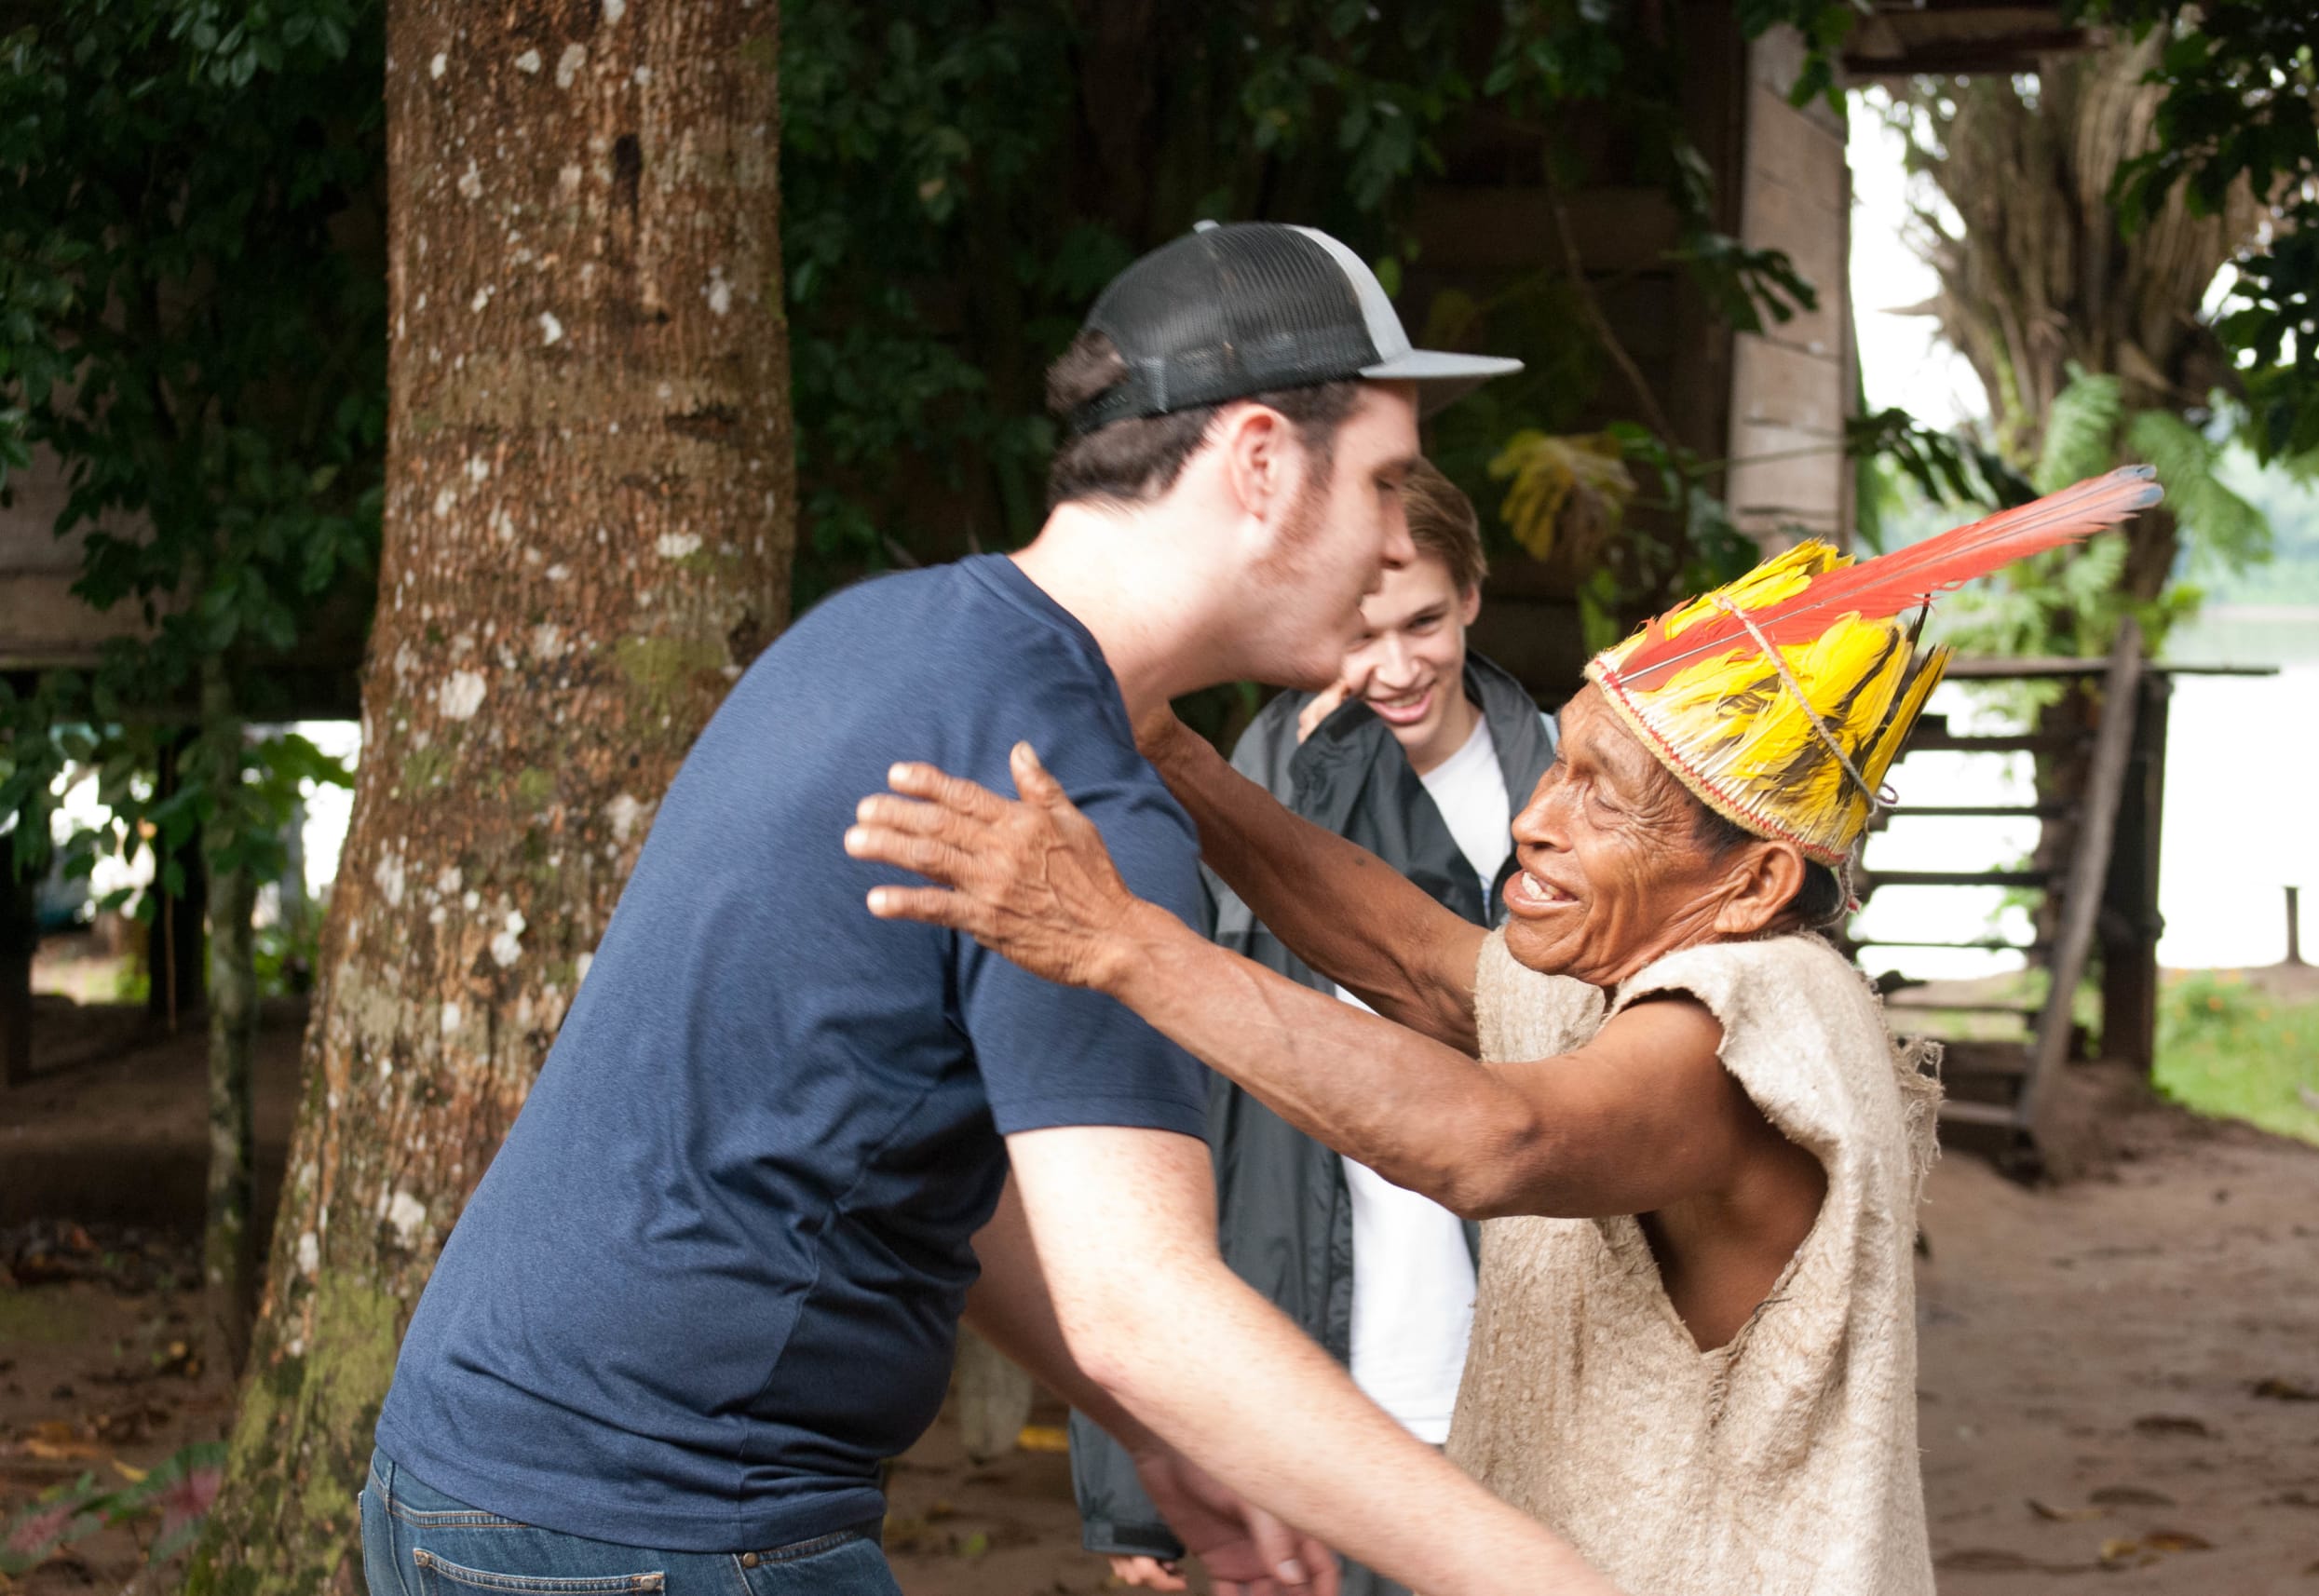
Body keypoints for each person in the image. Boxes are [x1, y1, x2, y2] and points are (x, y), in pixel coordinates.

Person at [360, 219, 1626, 1596]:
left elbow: (914, 1166)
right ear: (1261, 462)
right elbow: (1146, 1306)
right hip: (658, 1528)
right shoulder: (1069, 799)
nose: (1396, 540)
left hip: (463, 1477)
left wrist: (1158, 1427)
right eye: (1385, 484)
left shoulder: (888, 633)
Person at [846, 468, 2165, 1594]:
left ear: (1757, 881)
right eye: (1561, 764)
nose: (1539, 818)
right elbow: (1412, 962)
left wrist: (1122, 944)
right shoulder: (1641, 964)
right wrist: (1181, 761)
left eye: (1607, 800)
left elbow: (1496, 1138)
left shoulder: (1757, 1011)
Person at [1071, 461, 1555, 1596]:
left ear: (1472, 596)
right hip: (1316, 1399)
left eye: (1424, 622)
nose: (1393, 670)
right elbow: (1151, 1108)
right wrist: (1132, 1477)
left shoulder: (1567, 783)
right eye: (1359, 630)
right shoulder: (1233, 792)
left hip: (1524, 1387)